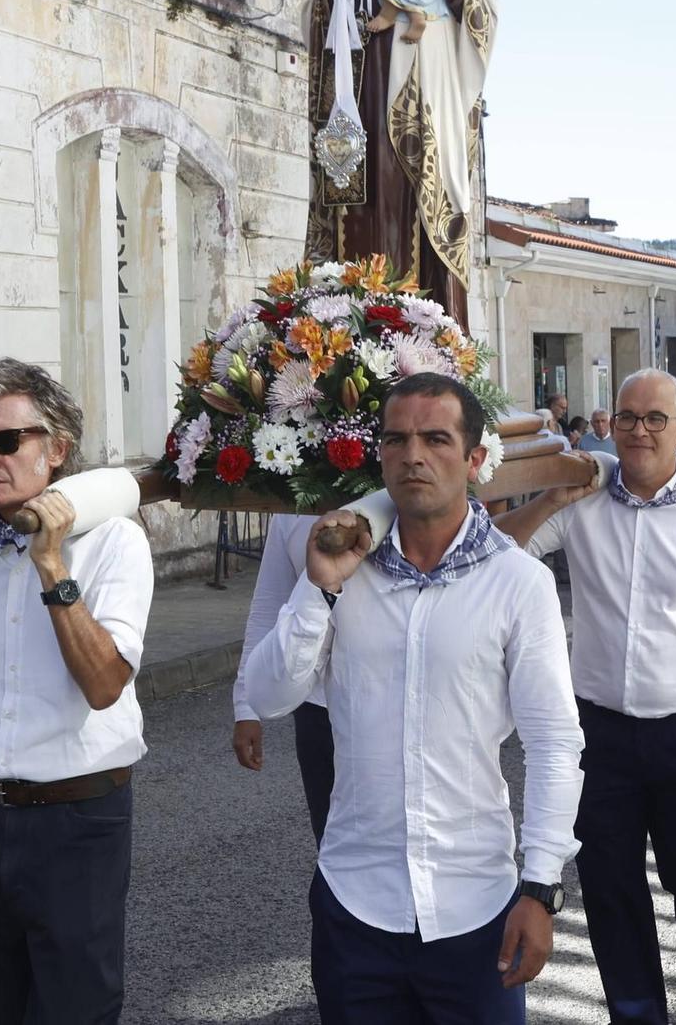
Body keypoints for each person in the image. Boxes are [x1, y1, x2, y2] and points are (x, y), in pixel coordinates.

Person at [243, 373, 584, 1023]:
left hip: (474, 908)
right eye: (395, 440)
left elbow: (553, 741)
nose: (413, 455)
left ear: (477, 458)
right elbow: (269, 694)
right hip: (355, 903)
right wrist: (318, 590)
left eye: (435, 438)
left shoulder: (518, 584)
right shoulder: (343, 570)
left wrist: (540, 886)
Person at [499, 369, 676, 1025]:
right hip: (599, 735)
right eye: (627, 416)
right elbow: (496, 551)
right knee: (610, 889)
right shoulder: (583, 500)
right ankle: (638, 1014)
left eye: (656, 417)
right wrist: (550, 499)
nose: (639, 429)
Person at [0, 360, 154, 1024]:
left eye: (6, 441)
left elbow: (104, 684)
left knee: (75, 1009)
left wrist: (51, 564)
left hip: (78, 820)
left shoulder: (114, 544)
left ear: (57, 449)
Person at [305, 0, 497, 318]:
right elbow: (314, 18)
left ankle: (421, 341)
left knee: (409, 195)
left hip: (419, 89)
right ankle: (350, 336)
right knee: (362, 206)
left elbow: (484, 12)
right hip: (355, 93)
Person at [231, 516, 334, 841]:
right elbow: (268, 605)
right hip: (318, 706)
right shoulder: (290, 514)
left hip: (392, 703)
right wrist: (246, 706)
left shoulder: (398, 496)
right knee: (331, 838)